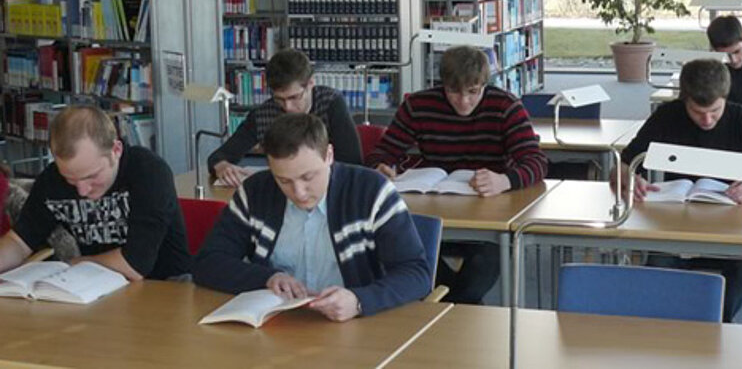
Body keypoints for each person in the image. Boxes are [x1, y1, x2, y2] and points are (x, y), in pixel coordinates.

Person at [193, 113, 430, 321]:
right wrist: (267, 278)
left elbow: (416, 274)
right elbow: (208, 262)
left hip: (354, 325)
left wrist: (359, 300)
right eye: (283, 180)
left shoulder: (371, 191)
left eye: (308, 177)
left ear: (329, 155)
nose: (299, 192)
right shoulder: (255, 192)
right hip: (281, 324)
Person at [612, 58, 742, 322]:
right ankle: (669, 327)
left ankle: (717, 324)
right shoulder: (667, 115)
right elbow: (621, 165)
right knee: (658, 269)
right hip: (674, 228)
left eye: (715, 111)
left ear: (725, 98)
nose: (707, 119)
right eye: (698, 112)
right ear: (685, 100)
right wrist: (629, 178)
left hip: (734, 231)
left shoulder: (741, 118)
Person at [366, 46, 548, 304]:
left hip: (490, 218)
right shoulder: (419, 105)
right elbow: (381, 152)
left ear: (485, 84)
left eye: (473, 92)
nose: (463, 101)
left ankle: (450, 307)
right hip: (435, 214)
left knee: (476, 276)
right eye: (453, 92)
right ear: (442, 85)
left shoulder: (505, 105)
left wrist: (503, 180)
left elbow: (536, 161)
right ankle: (455, 309)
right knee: (406, 253)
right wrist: (381, 167)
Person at [0, 105, 191, 280]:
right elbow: (19, 242)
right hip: (96, 287)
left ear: (116, 150)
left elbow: (135, 265)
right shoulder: (51, 179)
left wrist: (75, 264)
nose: (82, 190)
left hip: (165, 286)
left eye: (92, 176)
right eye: (70, 179)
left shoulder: (148, 172)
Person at [208, 48, 362, 187]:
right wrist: (222, 165)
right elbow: (218, 156)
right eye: (279, 99)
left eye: (294, 97)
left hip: (328, 191)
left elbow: (353, 164)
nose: (287, 107)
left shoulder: (331, 103)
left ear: (310, 84)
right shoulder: (263, 114)